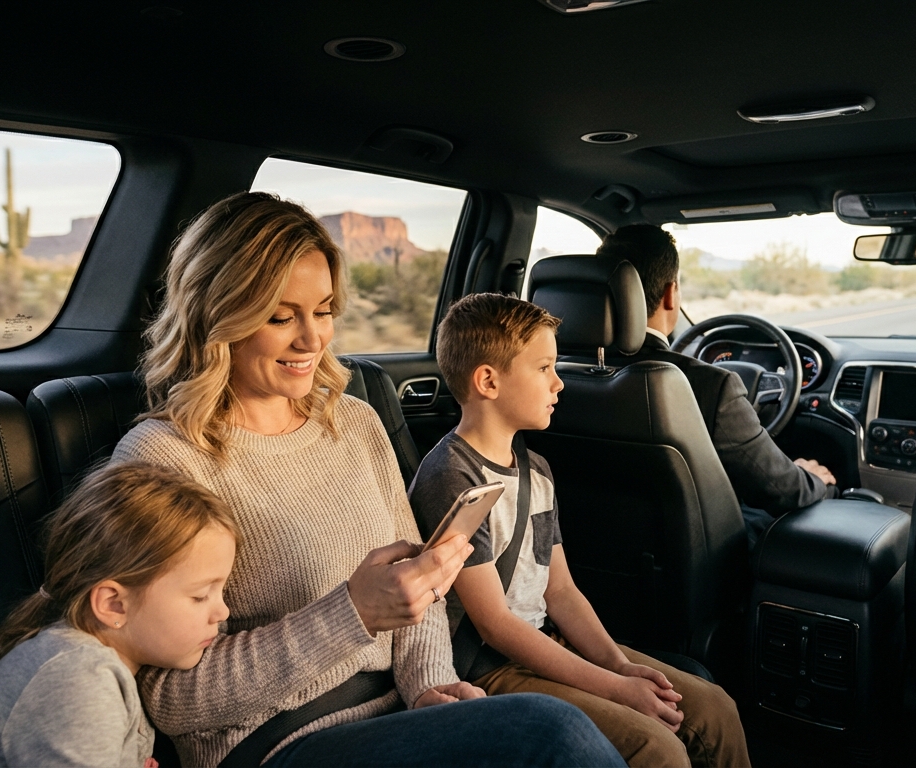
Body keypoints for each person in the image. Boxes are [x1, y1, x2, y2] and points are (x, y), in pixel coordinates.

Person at [112, 191, 625, 768]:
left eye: (324, 310)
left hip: (398, 711)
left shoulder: (353, 421)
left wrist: (429, 685)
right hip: (275, 743)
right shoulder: (164, 458)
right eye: (281, 317)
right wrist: (350, 614)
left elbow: (415, 587)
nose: (312, 339)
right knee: (549, 733)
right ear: (217, 316)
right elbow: (170, 699)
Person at [410, 293, 751, 768]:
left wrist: (619, 665)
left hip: (546, 642)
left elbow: (562, 591)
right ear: (488, 381)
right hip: (488, 667)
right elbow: (495, 624)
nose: (559, 383)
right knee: (655, 747)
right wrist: (616, 689)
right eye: (544, 368)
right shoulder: (452, 477)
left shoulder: (536, 469)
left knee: (715, 708)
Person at [0, 461, 242, 767]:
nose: (222, 611)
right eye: (200, 596)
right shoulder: (80, 678)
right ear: (113, 604)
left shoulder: (92, 667)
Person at [598, 224, 837, 546]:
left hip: (591, 542)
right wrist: (814, 478)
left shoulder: (554, 374)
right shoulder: (712, 384)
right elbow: (782, 491)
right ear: (671, 293)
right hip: (691, 556)